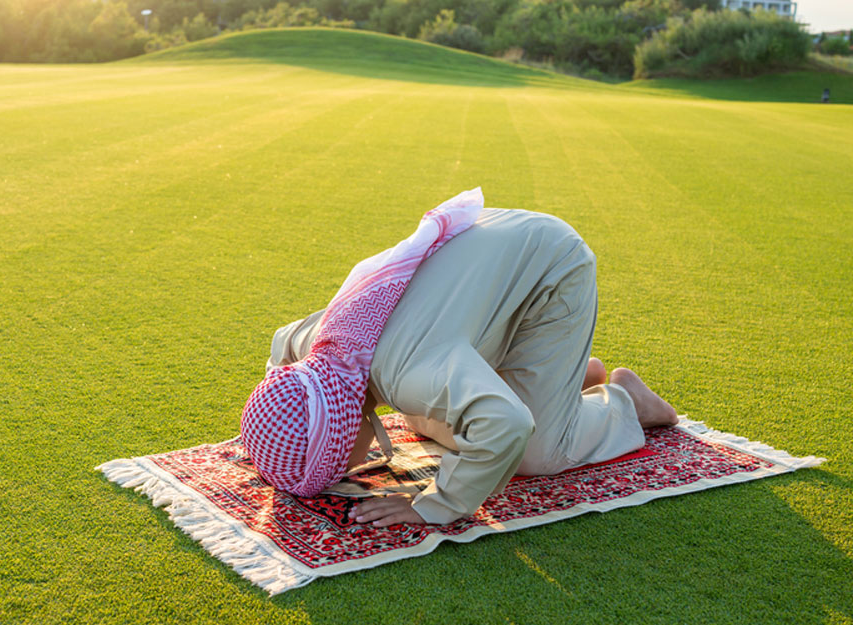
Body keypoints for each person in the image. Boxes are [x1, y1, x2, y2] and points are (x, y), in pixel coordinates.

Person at [240, 190, 678, 527]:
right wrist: (277, 420)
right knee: (427, 416)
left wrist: (434, 503)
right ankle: (570, 380)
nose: (351, 470)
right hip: (491, 251)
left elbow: (508, 425)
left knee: (532, 453)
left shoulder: (412, 375)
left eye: (338, 464)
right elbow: (282, 349)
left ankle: (624, 401)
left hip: (549, 270)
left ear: (343, 427)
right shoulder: (317, 349)